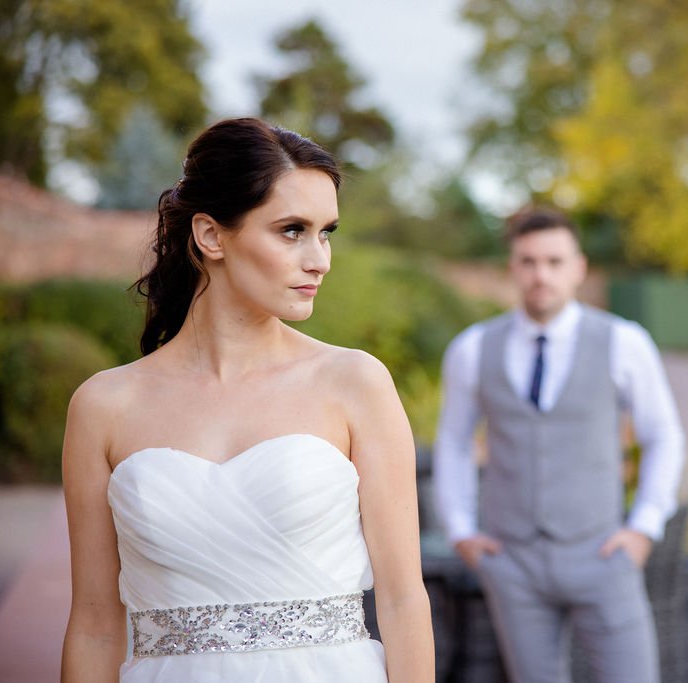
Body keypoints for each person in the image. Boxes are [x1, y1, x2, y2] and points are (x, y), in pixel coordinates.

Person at [60, 117, 434, 683]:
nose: (320, 259)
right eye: (292, 231)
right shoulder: (103, 406)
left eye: (326, 232)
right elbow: (93, 624)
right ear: (211, 236)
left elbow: (404, 599)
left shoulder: (355, 383)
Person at [433, 207, 685, 683]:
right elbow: (454, 442)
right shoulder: (472, 349)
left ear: (579, 268)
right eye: (528, 261)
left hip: (602, 554)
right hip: (513, 562)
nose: (541, 275)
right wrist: (461, 530)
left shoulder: (623, 342)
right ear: (511, 268)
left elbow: (663, 435)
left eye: (554, 261)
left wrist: (644, 527)